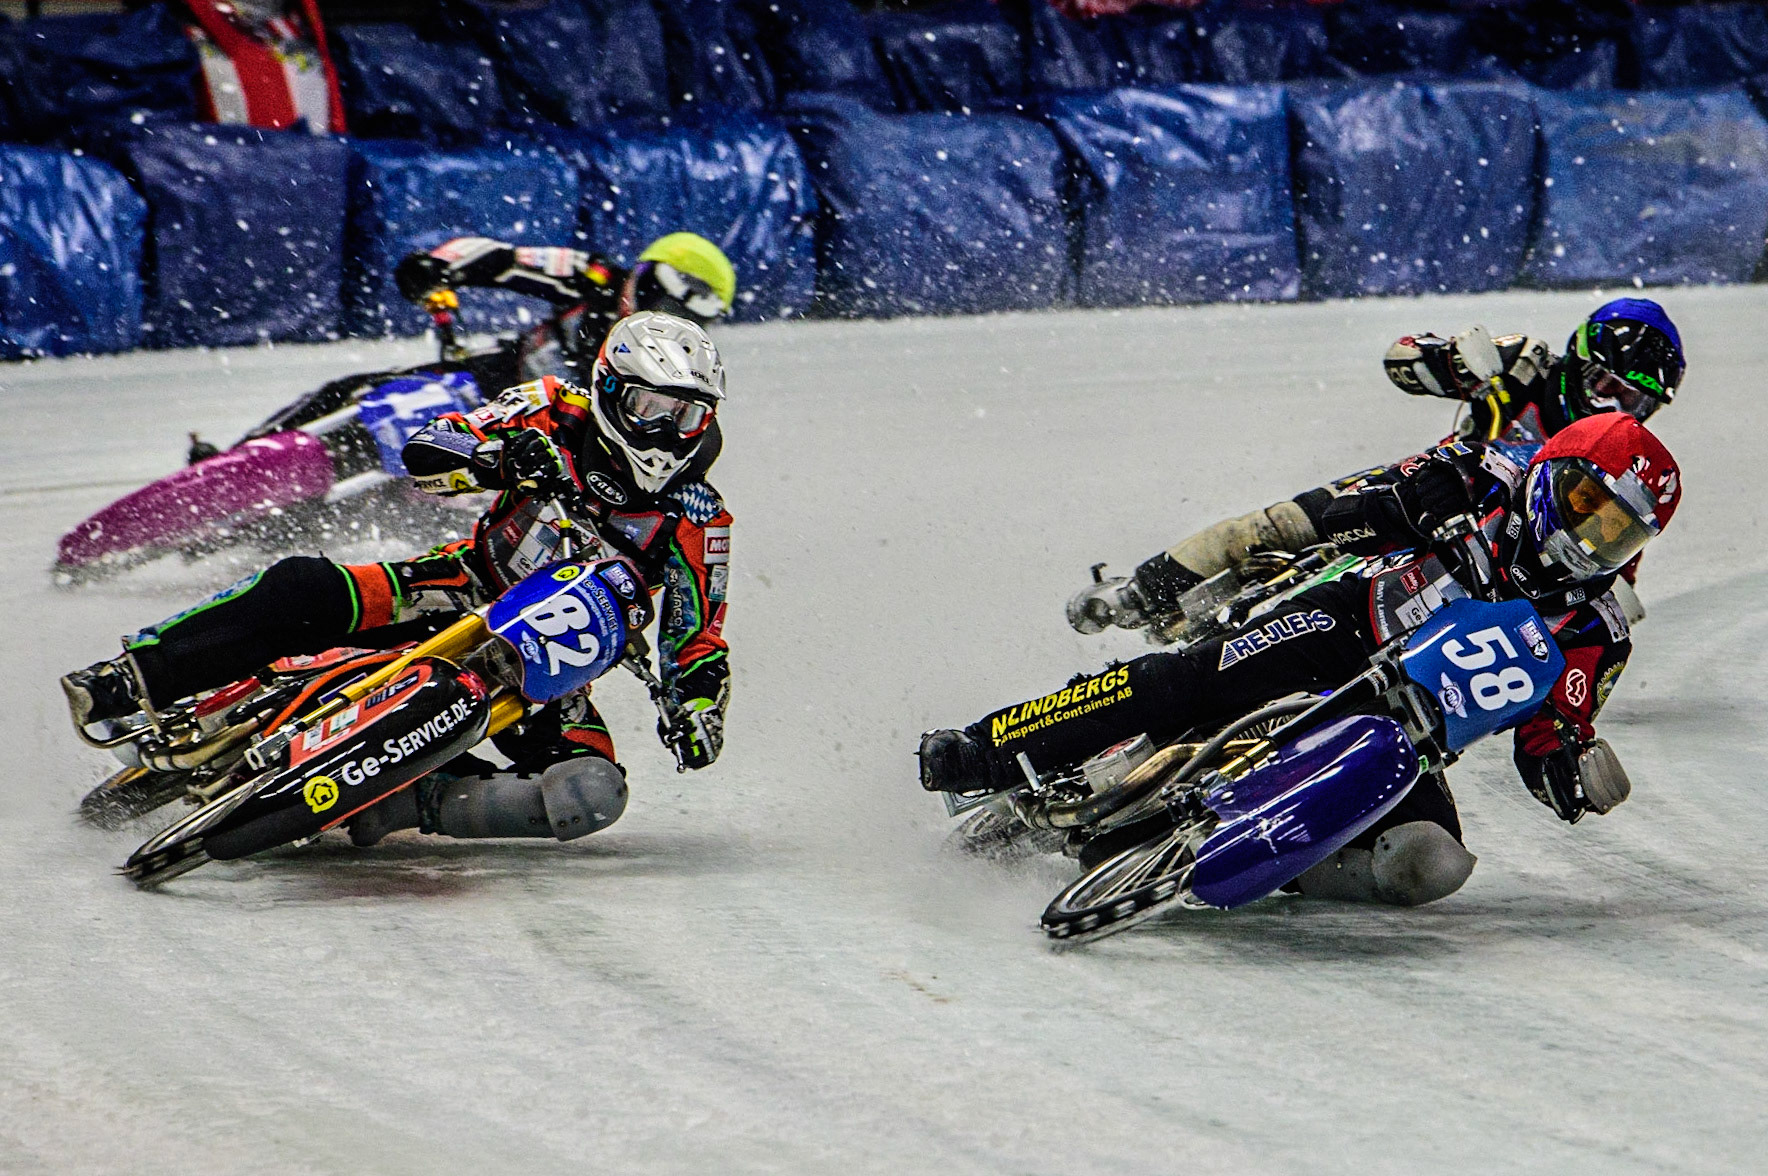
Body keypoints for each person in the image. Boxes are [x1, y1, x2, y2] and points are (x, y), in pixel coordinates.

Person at [923, 413, 1683, 907]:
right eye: (1589, 507)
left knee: (1428, 865)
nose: (1591, 541)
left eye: (1620, 534)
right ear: (1552, 477)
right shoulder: (1467, 480)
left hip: (1411, 729)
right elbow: (1296, 519)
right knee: (1186, 681)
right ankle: (988, 746)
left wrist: (1573, 772)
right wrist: (1156, 585)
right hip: (1337, 626)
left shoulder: (1599, 627)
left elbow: (1555, 727)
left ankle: (1259, 861)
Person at [61, 311, 733, 848]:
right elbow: (429, 447)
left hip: (548, 671)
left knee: (590, 791)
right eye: (654, 408)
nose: (669, 433)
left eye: (688, 416)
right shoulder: (553, 406)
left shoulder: (700, 520)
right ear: (612, 389)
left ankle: (405, 804)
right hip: (457, 584)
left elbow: (697, 639)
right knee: (304, 587)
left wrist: (699, 711)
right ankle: (131, 677)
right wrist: (497, 457)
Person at [1071, 298, 1685, 640]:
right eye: (1609, 386)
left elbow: (1609, 572)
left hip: (1484, 557)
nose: (1617, 408)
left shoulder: (1617, 463)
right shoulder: (1525, 363)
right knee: (1267, 528)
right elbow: (1400, 359)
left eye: (1638, 403)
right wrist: (1457, 364)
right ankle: (1139, 590)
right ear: (1581, 358)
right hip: (1427, 490)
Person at [393, 230, 739, 390]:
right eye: (669, 310)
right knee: (375, 393)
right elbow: (507, 261)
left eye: (690, 324)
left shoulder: (681, 372)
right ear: (651, 284)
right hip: (497, 379)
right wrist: (440, 267)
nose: (667, 327)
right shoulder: (596, 279)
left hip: (555, 453)